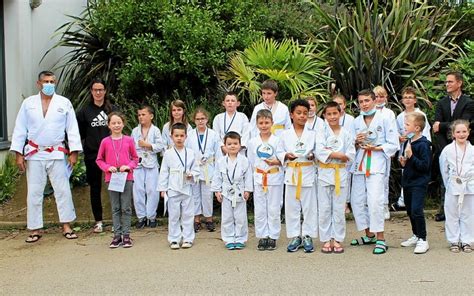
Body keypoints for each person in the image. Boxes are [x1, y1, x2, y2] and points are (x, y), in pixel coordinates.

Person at [10, 70, 82, 243]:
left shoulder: (64, 103)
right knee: (34, 192)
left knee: (62, 190)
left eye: (52, 82)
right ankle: (35, 228)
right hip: (35, 153)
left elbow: (72, 128)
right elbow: (20, 128)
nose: (49, 84)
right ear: (39, 83)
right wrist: (19, 154)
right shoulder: (28, 103)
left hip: (57, 152)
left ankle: (66, 225)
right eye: (46, 81)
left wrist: (74, 152)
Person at [350, 89, 399, 255]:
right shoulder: (356, 121)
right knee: (357, 201)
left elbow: (393, 144)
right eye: (361, 102)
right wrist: (355, 142)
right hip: (359, 164)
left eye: (367, 101)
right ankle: (368, 234)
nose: (364, 104)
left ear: (374, 101)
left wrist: (376, 148)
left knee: (375, 201)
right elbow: (350, 145)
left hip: (377, 163)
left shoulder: (385, 118)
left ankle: (381, 238)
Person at [277, 99, 318, 253]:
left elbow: (318, 151)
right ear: (291, 115)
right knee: (292, 207)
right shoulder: (284, 134)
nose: (302, 116)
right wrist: (286, 155)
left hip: (307, 172)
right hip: (292, 173)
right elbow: (279, 151)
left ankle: (307, 235)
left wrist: (313, 155)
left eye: (305, 113)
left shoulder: (313, 134)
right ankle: (295, 235)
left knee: (309, 207)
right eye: (298, 113)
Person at [76, 78, 117, 233]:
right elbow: (79, 134)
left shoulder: (113, 109)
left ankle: (116, 220)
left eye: (101, 89)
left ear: (105, 91)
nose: (98, 92)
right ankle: (98, 221)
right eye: (95, 90)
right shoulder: (84, 112)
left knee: (114, 188)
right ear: (91, 91)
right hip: (93, 155)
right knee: (95, 188)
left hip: (112, 155)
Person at [433, 71, 474, 222]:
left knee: (464, 176)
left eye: (450, 81)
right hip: (445, 147)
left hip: (463, 147)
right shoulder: (442, 103)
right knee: (445, 177)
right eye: (446, 82)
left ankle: (464, 209)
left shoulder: (469, 102)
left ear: (459, 83)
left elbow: (464, 124)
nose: (447, 84)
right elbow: (436, 129)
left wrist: (442, 125)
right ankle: (444, 208)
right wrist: (446, 148)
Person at [315, 102, 355, 254]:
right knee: (324, 208)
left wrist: (332, 153)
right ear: (324, 116)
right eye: (329, 114)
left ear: (340, 114)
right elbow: (319, 150)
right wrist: (338, 155)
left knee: (338, 209)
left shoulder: (346, 133)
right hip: (325, 174)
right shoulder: (321, 132)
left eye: (335, 113)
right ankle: (326, 239)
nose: (332, 117)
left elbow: (350, 155)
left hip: (340, 174)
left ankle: (337, 239)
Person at [96, 112, 139, 248]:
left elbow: (135, 158)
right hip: (112, 178)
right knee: (115, 208)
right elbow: (99, 159)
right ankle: (117, 236)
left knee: (126, 207)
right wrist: (108, 168)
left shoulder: (129, 140)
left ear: (123, 124)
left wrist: (129, 166)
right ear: (109, 125)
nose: (116, 125)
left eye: (119, 122)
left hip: (126, 177)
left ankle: (126, 235)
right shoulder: (105, 142)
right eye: (113, 123)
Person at [158, 123, 200, 249]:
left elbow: (196, 169)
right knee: (174, 215)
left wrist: (191, 174)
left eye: (182, 135)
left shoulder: (191, 153)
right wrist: (162, 188)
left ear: (186, 136)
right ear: (171, 137)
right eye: (176, 136)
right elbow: (164, 171)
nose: (179, 138)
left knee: (188, 214)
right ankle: (174, 238)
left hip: (187, 187)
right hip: (173, 187)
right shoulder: (168, 153)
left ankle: (188, 238)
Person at [247, 109, 284, 251]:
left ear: (272, 123)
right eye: (261, 123)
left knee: (274, 208)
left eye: (266, 122)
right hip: (259, 177)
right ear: (256, 124)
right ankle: (262, 236)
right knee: (260, 208)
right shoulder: (252, 142)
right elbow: (251, 162)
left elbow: (282, 159)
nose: (264, 125)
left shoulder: (278, 140)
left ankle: (273, 236)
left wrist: (276, 161)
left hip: (274, 176)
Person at [211, 131, 253, 250]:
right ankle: (228, 238)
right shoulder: (221, 161)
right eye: (229, 144)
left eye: (235, 143)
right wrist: (217, 191)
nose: (232, 146)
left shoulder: (244, 160)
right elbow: (217, 176)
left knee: (240, 217)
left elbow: (248, 176)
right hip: (226, 192)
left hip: (240, 191)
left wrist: (248, 190)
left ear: (240, 145)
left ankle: (240, 238)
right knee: (227, 217)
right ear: (224, 146)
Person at [393, 87, 432, 211]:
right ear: (402, 100)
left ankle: (415, 201)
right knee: (406, 173)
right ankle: (404, 200)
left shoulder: (421, 115)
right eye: (405, 97)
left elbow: (425, 134)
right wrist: (400, 139)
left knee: (418, 173)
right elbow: (397, 133)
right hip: (405, 148)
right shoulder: (400, 116)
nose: (408, 100)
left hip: (419, 148)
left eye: (410, 97)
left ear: (415, 100)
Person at [398, 113, 432, 254]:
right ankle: (416, 235)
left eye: (407, 125)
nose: (404, 127)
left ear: (417, 128)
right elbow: (410, 164)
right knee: (410, 210)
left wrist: (411, 156)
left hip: (419, 183)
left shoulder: (424, 145)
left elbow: (425, 166)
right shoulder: (408, 142)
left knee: (417, 210)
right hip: (408, 182)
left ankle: (423, 239)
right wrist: (404, 162)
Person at [439, 120, 474, 253]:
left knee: (469, 214)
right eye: (458, 132)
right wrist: (449, 182)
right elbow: (444, 169)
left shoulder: (472, 150)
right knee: (452, 213)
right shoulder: (447, 150)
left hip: (470, 185)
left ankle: (467, 241)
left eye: (464, 131)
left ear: (469, 132)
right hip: (453, 184)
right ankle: (454, 240)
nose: (461, 134)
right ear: (453, 134)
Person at [187, 107, 220, 232]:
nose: (200, 121)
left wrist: (218, 170)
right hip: (194, 168)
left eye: (202, 118)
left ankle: (209, 219)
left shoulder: (213, 134)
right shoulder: (189, 135)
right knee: (194, 195)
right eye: (197, 119)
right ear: (193, 120)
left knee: (207, 195)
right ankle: (196, 219)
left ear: (207, 119)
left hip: (208, 168)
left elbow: (218, 153)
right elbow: (187, 153)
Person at [131, 106, 164, 228]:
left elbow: (161, 146)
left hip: (151, 163)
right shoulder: (135, 131)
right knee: (138, 190)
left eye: (143, 114)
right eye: (139, 115)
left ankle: (151, 216)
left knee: (152, 190)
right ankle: (141, 217)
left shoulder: (155, 130)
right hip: (138, 163)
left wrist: (148, 145)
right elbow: (131, 146)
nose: (140, 117)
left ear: (151, 116)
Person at [373, 85, 398, 220]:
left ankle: (384, 205)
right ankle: (372, 206)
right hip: (370, 151)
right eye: (376, 96)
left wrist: (391, 148)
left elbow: (392, 132)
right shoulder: (367, 111)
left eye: (381, 96)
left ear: (386, 98)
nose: (379, 99)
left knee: (383, 178)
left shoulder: (389, 113)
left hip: (383, 150)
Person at [333, 93, 355, 214]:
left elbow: (352, 137)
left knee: (346, 179)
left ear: (344, 105)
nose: (338, 106)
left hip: (346, 153)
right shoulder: (328, 119)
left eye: (340, 104)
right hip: (333, 154)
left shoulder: (351, 119)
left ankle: (345, 203)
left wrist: (346, 153)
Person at [212, 92, 250, 156]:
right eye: (227, 101)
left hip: (239, 152)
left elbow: (246, 134)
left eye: (232, 101)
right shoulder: (218, 118)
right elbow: (216, 136)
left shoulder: (243, 117)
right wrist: (223, 148)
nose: (230, 103)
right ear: (223, 103)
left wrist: (237, 149)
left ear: (238, 103)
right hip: (223, 152)